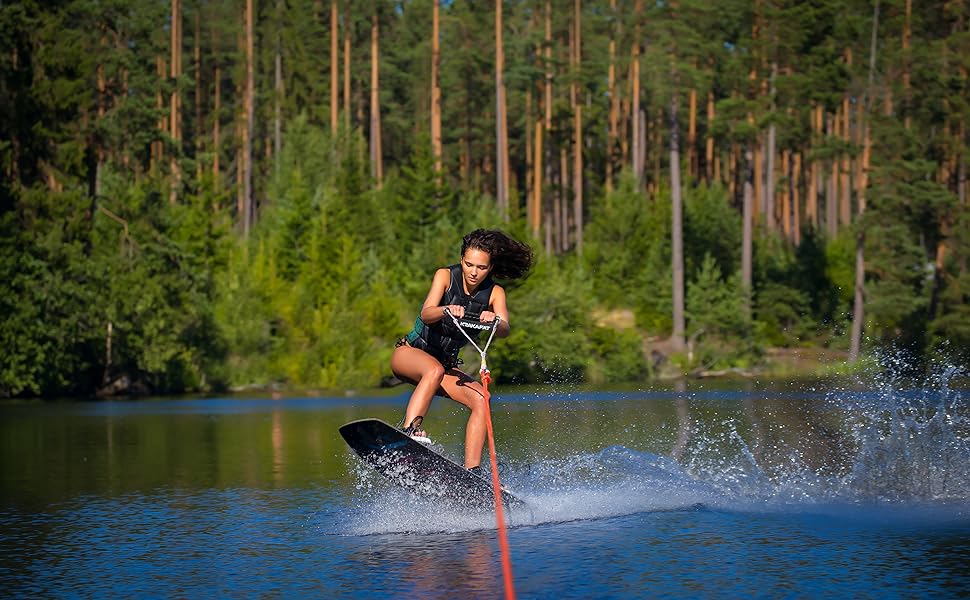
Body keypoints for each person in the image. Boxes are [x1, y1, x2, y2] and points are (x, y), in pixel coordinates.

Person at [391, 229, 533, 473]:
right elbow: (427, 313)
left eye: (481, 267)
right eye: (468, 264)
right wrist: (445, 309)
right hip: (409, 354)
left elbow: (505, 328)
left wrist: (494, 320)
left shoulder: (495, 293)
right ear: (461, 260)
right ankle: (411, 431)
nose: (473, 272)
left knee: (482, 398)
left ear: (490, 268)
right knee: (433, 369)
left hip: (445, 367)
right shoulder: (445, 276)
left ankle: (472, 471)